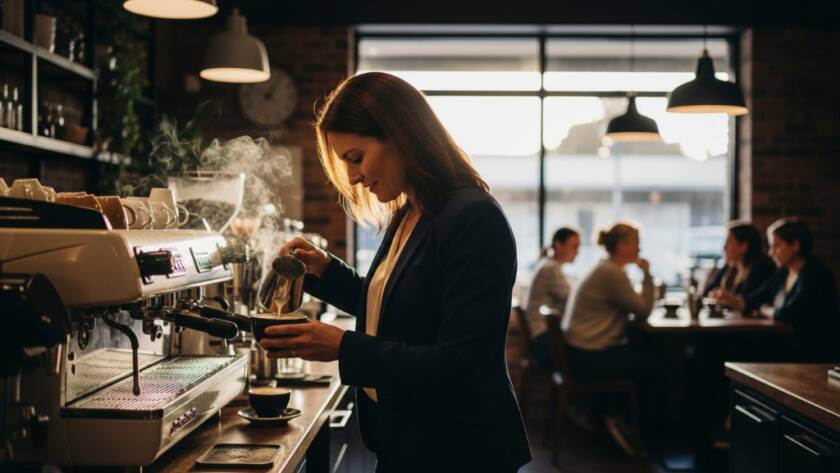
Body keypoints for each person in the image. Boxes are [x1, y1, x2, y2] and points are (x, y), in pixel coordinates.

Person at [258, 72, 531, 472]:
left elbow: (461, 365)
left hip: (458, 449)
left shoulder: (474, 218)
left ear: (402, 136)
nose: (352, 176)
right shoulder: (411, 211)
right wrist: (327, 272)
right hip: (408, 440)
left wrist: (343, 347)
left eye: (355, 157)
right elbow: (401, 309)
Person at [561, 221, 656, 458]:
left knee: (643, 356)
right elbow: (643, 310)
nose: (640, 248)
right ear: (622, 246)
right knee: (656, 367)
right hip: (588, 356)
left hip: (579, 351)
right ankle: (638, 433)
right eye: (636, 242)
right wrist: (647, 275)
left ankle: (614, 417)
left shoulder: (607, 269)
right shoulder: (611, 272)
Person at [714, 218, 840, 361]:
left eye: (776, 246)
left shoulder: (816, 274)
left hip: (813, 353)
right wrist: (734, 300)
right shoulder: (783, 272)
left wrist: (765, 310)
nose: (771, 252)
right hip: (787, 347)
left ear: (795, 245)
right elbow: (754, 299)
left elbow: (788, 314)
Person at [525, 227, 580, 367]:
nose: (577, 251)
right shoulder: (551, 269)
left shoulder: (548, 265)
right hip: (543, 339)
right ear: (558, 245)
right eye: (574, 246)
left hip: (538, 335)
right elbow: (573, 302)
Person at [702, 221, 776, 298]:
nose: (724, 247)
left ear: (743, 246)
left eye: (729, 242)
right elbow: (707, 292)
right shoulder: (729, 267)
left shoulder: (761, 268)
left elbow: (748, 300)